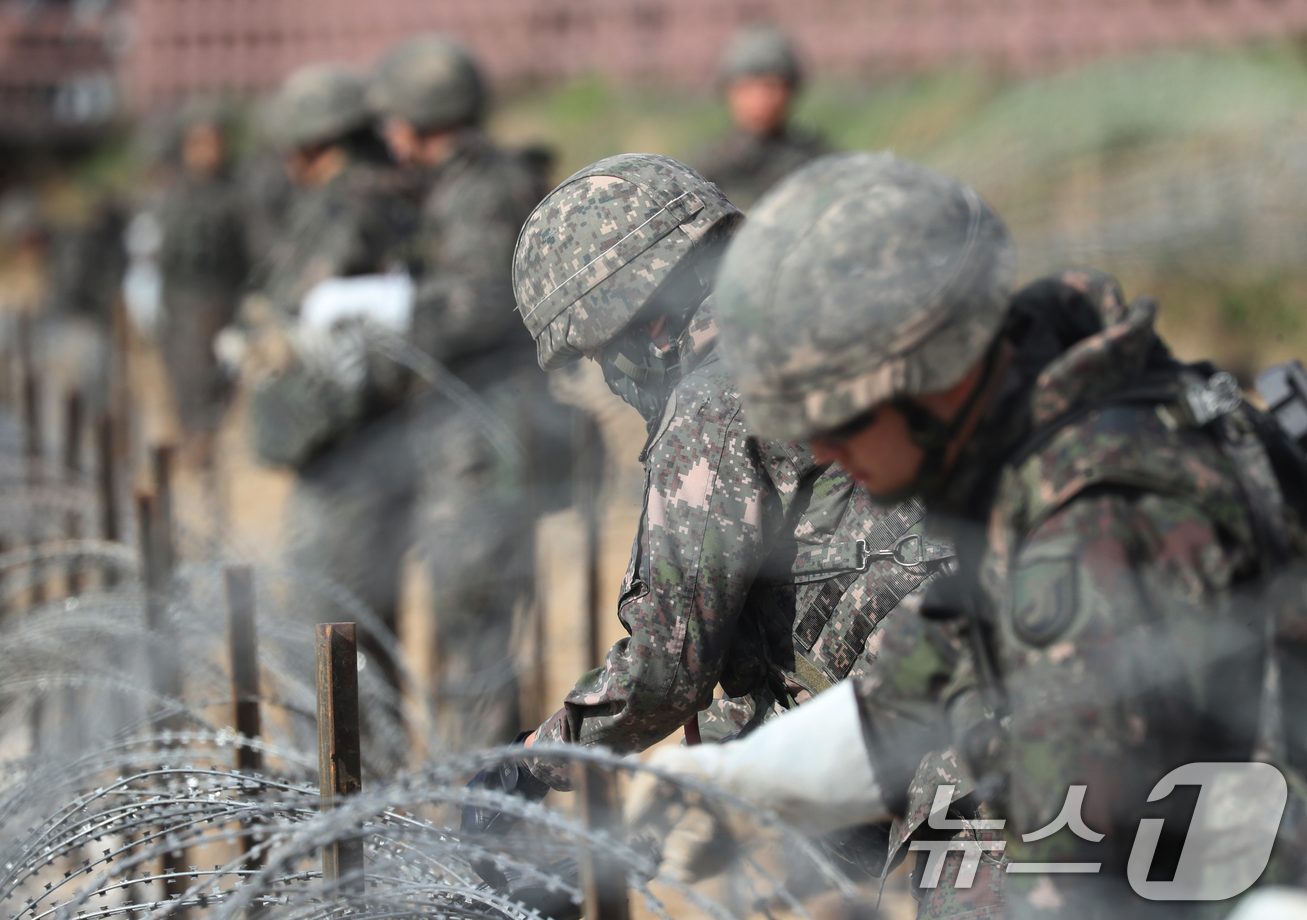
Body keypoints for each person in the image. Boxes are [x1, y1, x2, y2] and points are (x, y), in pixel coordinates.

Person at [627, 153, 1307, 918]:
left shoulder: (1090, 535)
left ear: (929, 373)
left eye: (836, 417)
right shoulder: (1053, 445)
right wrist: (740, 785)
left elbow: (1071, 878)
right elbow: (924, 676)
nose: (821, 451)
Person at [462, 153, 953, 888]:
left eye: (600, 353)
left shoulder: (716, 404)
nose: (611, 374)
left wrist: (537, 759)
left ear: (647, 323)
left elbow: (670, 663)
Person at [370, 34, 572, 753]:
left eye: (394, 118)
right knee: (466, 625)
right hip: (467, 433)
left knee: (478, 629)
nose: (388, 134)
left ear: (423, 116)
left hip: (487, 437)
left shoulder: (482, 190)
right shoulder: (455, 186)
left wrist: (388, 313)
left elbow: (483, 303)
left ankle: (483, 812)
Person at [236, 65, 420, 749]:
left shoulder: (351, 206)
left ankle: (355, 810)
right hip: (359, 454)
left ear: (315, 140)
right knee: (355, 633)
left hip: (350, 460)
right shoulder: (375, 197)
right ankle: (366, 798)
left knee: (333, 635)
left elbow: (322, 326)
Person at [152, 100, 249, 463]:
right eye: (202, 142)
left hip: (225, 304)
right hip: (182, 310)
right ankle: (196, 453)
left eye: (216, 141)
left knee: (221, 394)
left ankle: (206, 450)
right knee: (189, 389)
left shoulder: (236, 194)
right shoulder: (171, 194)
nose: (211, 151)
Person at [689, 24, 830, 211]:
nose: (760, 99)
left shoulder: (818, 162)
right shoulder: (706, 167)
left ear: (791, 90)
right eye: (747, 88)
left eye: (772, 86)